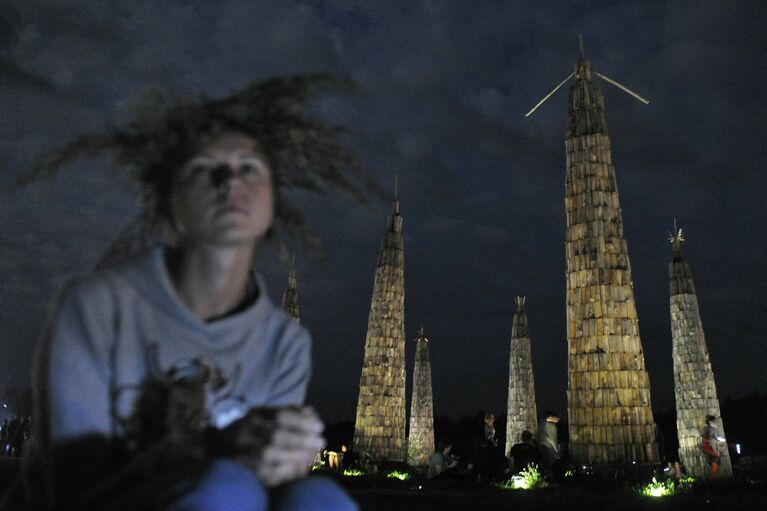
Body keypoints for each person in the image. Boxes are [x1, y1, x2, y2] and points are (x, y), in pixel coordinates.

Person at [7, 75, 376, 511]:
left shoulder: (285, 342)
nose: (230, 181)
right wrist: (216, 448)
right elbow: (73, 484)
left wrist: (285, 454)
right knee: (226, 487)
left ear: (273, 200)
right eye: (205, 168)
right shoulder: (95, 306)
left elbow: (271, 483)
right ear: (170, 200)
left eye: (250, 168)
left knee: (318, 496)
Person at [701, 415, 726, 481]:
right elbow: (710, 440)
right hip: (712, 451)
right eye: (714, 421)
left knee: (716, 468)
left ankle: (711, 481)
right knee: (714, 467)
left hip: (713, 451)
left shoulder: (712, 429)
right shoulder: (710, 430)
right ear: (710, 422)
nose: (716, 423)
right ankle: (709, 482)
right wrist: (720, 442)